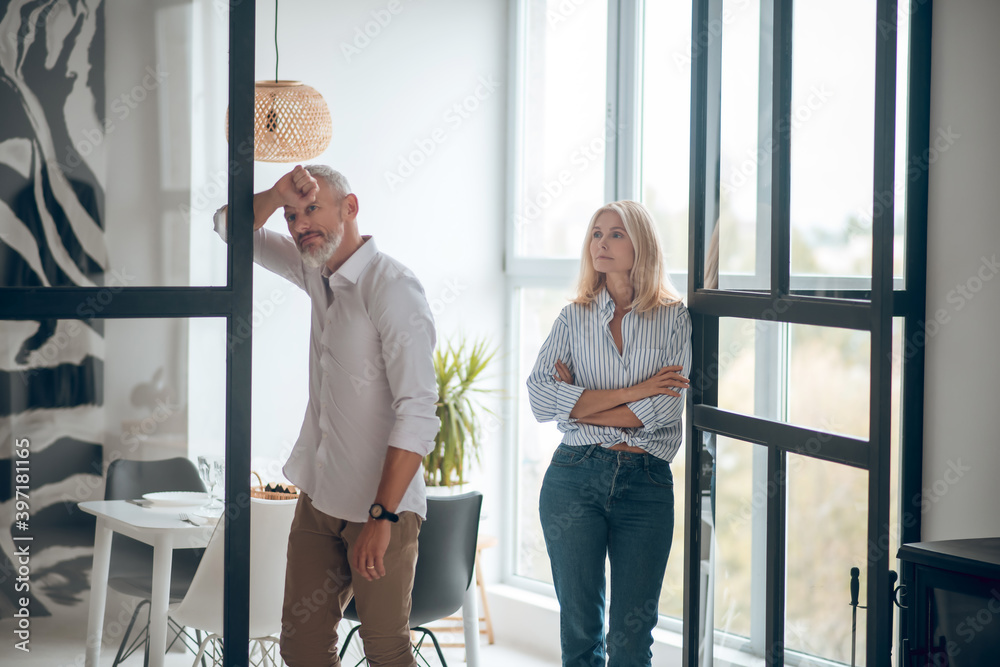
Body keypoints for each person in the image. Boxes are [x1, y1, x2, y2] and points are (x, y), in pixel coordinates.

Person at [213, 165, 439, 666]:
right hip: (320, 497)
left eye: (311, 208)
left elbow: (419, 412)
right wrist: (275, 193)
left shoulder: (394, 288)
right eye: (292, 215)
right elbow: (230, 227)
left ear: (350, 208)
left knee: (385, 650)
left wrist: (383, 516)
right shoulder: (314, 268)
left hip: (383, 504)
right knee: (303, 647)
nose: (298, 224)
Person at [526, 200, 692, 667]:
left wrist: (578, 401)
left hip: (647, 482)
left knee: (632, 640)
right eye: (596, 233)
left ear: (641, 244)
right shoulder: (572, 318)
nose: (601, 243)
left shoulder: (674, 317)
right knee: (580, 635)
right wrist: (636, 389)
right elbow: (541, 399)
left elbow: (660, 410)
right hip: (573, 478)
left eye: (615, 234)